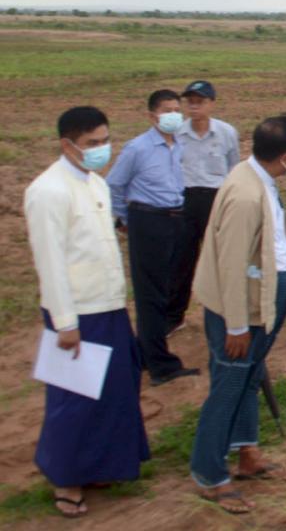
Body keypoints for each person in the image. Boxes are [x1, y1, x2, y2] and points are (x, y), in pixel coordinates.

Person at [25, 106, 150, 519]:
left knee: (115, 392)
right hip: (77, 314)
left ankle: (99, 466)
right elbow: (50, 263)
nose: (102, 149)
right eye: (92, 143)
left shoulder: (95, 183)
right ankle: (66, 479)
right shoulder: (48, 191)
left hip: (108, 305)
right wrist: (65, 323)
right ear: (68, 145)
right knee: (74, 399)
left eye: (105, 140)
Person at [189, 114, 286, 514]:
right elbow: (231, 264)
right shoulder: (244, 195)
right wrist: (236, 325)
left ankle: (247, 454)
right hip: (239, 312)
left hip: (261, 298)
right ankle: (209, 474)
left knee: (249, 377)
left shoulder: (258, 178)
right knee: (229, 385)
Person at [107, 89, 200, 385]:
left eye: (176, 110)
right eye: (166, 110)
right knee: (151, 295)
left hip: (174, 219)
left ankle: (146, 354)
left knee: (166, 288)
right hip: (148, 221)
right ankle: (160, 365)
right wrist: (127, 219)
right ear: (151, 116)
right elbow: (113, 185)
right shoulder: (138, 148)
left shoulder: (177, 145)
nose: (173, 115)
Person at [175, 80, 240, 333]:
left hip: (216, 199)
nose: (194, 107)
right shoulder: (178, 134)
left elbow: (233, 167)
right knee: (181, 260)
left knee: (220, 259)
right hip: (185, 200)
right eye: (190, 102)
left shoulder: (226, 133)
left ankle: (224, 312)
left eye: (200, 102)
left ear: (212, 104)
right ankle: (175, 316)